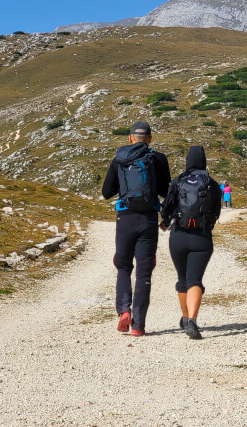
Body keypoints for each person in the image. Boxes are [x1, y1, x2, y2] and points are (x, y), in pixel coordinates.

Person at [101, 121, 171, 337]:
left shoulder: (119, 158)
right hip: (148, 220)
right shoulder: (158, 159)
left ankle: (124, 310)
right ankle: (138, 326)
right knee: (144, 271)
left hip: (125, 219)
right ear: (150, 139)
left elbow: (106, 192)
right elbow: (166, 192)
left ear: (130, 138)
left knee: (123, 266)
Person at [160, 146, 222, 340]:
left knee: (182, 279)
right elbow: (216, 213)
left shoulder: (178, 181)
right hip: (201, 238)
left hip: (178, 236)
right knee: (195, 280)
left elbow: (166, 206)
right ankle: (192, 321)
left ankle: (185, 317)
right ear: (204, 162)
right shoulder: (212, 184)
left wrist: (165, 222)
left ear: (188, 161)